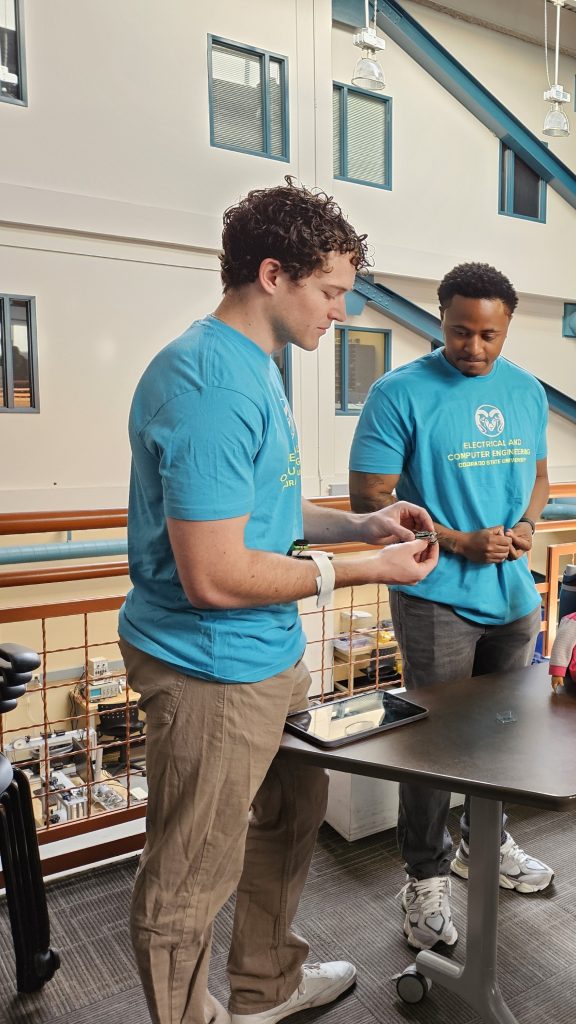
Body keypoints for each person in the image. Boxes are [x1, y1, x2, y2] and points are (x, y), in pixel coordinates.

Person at [118, 178, 439, 1024]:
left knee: (294, 811)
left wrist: (361, 525)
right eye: (332, 292)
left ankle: (268, 985)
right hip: (208, 667)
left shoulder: (253, 368)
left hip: (265, 656)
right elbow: (216, 572)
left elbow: (265, 507)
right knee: (188, 875)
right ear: (273, 274)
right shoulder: (210, 385)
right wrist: (365, 571)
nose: (341, 312)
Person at [349, 262, 554, 952]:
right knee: (432, 748)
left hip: (514, 597)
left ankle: (483, 844)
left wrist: (526, 525)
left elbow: (539, 478)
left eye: (488, 335)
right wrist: (458, 541)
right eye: (461, 332)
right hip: (437, 597)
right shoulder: (398, 391)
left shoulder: (525, 390)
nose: (475, 348)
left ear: (506, 329)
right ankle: (426, 875)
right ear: (441, 321)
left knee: (501, 737)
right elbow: (370, 497)